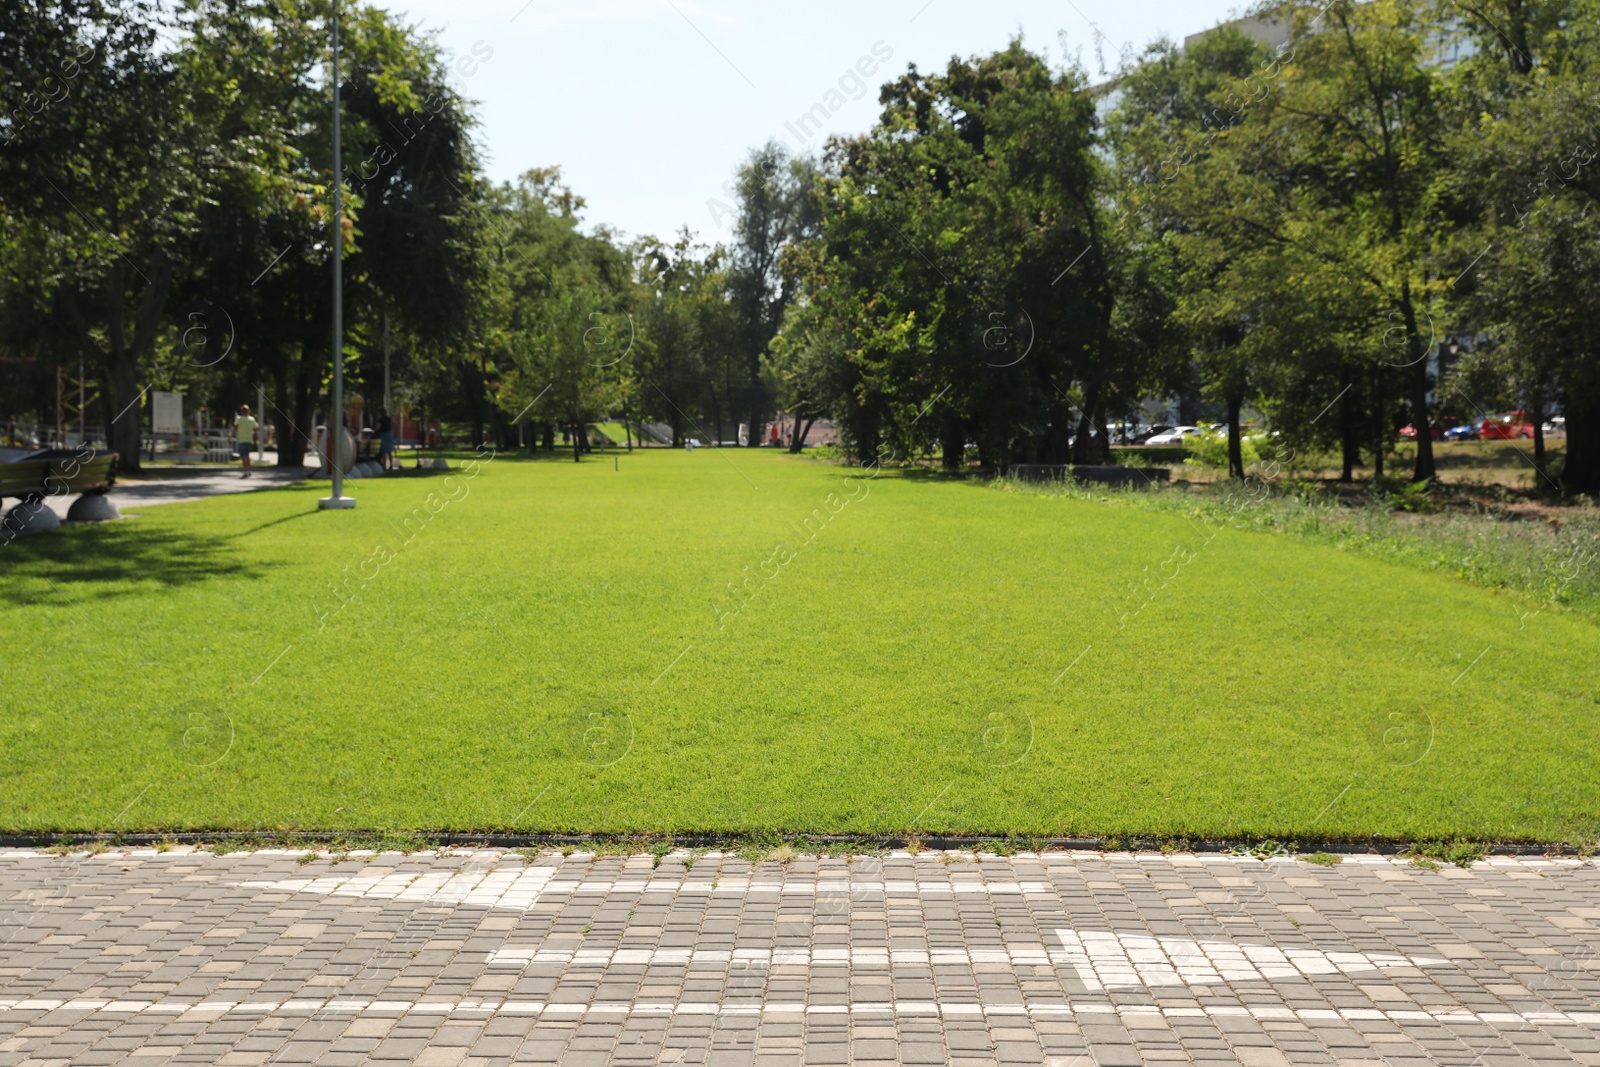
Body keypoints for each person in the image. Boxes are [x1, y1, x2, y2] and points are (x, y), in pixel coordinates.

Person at [233, 404, 259, 478]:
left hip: (242, 440)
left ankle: (245, 471)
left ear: (242, 411)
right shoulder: (252, 419)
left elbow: (235, 426)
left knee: (243, 457)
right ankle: (249, 470)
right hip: (249, 440)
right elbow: (256, 427)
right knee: (247, 456)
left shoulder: (239, 418)